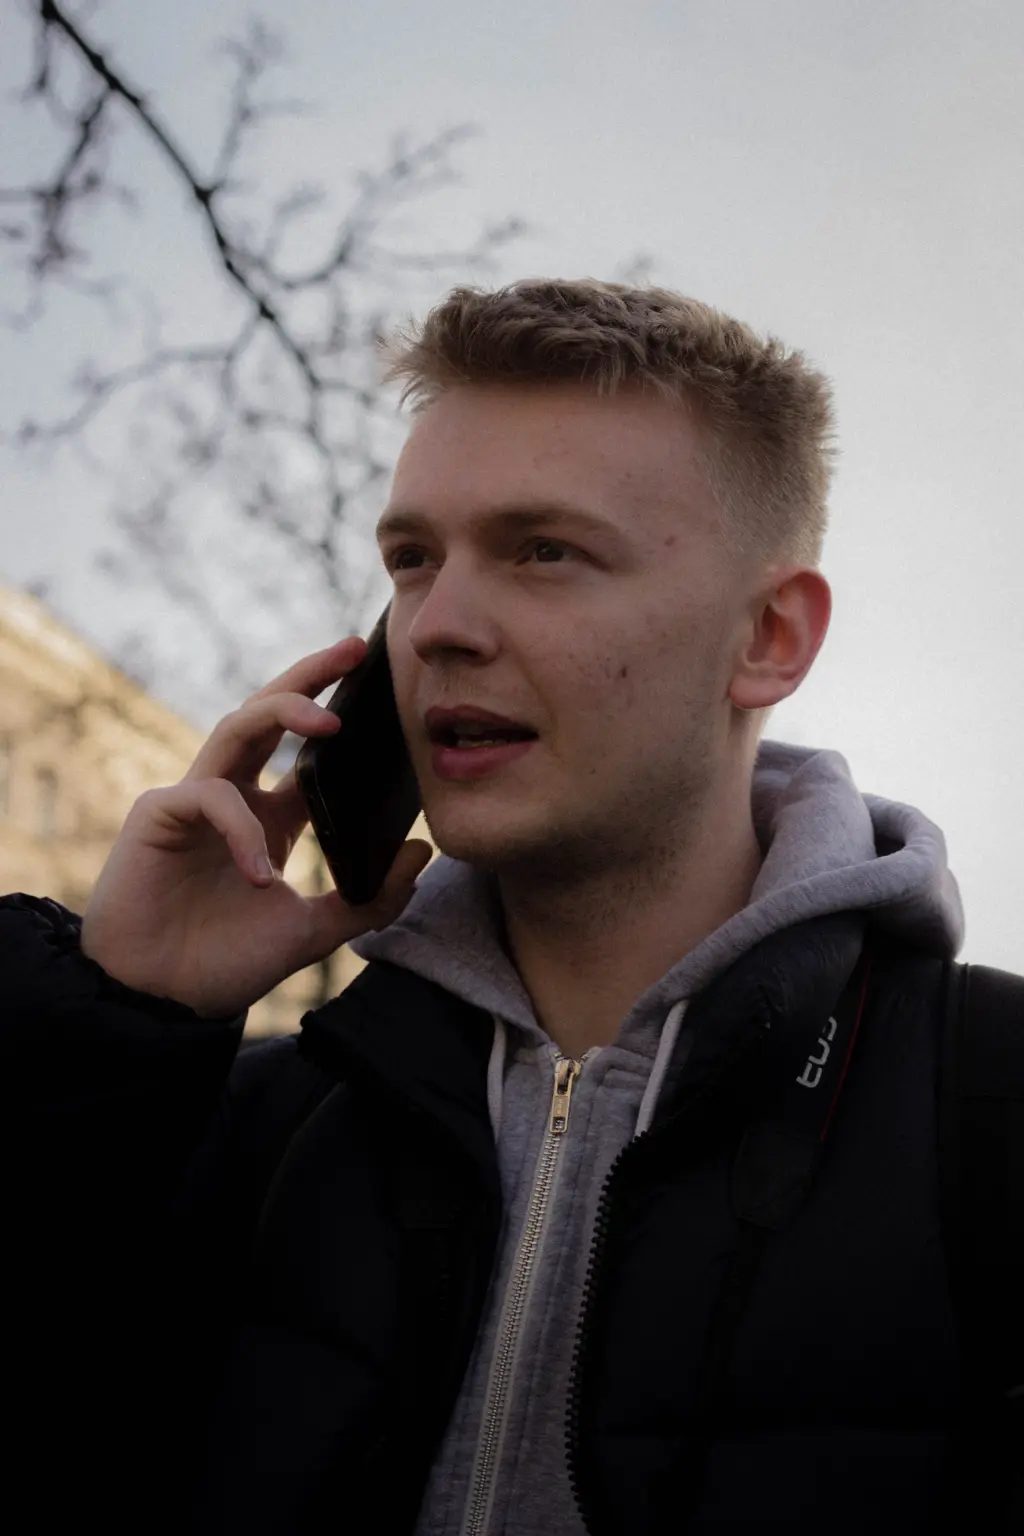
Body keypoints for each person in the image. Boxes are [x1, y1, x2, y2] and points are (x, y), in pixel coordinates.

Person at [2, 279, 973, 1536]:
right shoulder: (248, 1126)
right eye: (412, 560)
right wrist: (110, 1025)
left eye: (543, 551)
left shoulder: (984, 1117)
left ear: (769, 636)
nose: (436, 628)